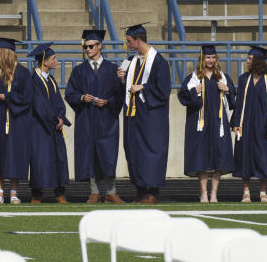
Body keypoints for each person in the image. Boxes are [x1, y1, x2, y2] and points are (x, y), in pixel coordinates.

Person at [65, 29, 123, 204]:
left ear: (100, 46)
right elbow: (70, 94)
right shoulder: (79, 71)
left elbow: (120, 95)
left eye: (91, 46)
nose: (88, 49)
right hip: (87, 118)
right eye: (86, 47)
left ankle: (111, 192)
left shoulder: (113, 69)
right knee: (90, 155)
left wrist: (108, 102)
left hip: (107, 119)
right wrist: (82, 98)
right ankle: (95, 193)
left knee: (108, 155)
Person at [117, 23, 170, 204]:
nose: (128, 44)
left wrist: (143, 87)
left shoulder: (158, 62)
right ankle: (140, 191)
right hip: (134, 116)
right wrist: (123, 80)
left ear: (138, 40)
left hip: (152, 118)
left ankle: (152, 193)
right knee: (134, 152)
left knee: (150, 152)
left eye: (130, 41)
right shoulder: (133, 61)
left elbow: (163, 91)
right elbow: (129, 89)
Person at [178, 43, 233, 202]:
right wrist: (194, 91)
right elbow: (182, 97)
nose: (211, 60)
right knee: (201, 156)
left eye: (213, 57)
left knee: (218, 156)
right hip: (199, 123)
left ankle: (214, 193)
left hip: (218, 123)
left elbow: (233, 101)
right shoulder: (193, 78)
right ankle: (203, 192)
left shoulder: (222, 77)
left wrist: (227, 89)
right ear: (202, 59)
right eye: (208, 57)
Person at [0, 37, 30, 204]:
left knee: (13, 156)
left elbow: (27, 98)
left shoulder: (22, 73)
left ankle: (14, 193)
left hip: (15, 121)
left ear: (5, 53)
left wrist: (8, 97)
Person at [230, 45, 267, 203]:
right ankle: (246, 192)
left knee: (263, 157)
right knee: (245, 156)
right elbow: (238, 104)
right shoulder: (243, 79)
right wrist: (236, 123)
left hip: (263, 125)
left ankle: (263, 192)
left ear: (258, 60)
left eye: (250, 58)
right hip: (246, 125)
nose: (247, 60)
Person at [26, 42, 70, 204]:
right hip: (39, 127)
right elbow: (39, 105)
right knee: (40, 160)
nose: (57, 61)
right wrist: (53, 120)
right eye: (54, 58)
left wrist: (60, 117)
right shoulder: (33, 80)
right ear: (45, 61)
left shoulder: (50, 79)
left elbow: (59, 102)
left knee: (59, 159)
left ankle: (60, 192)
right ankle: (37, 194)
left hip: (54, 125)